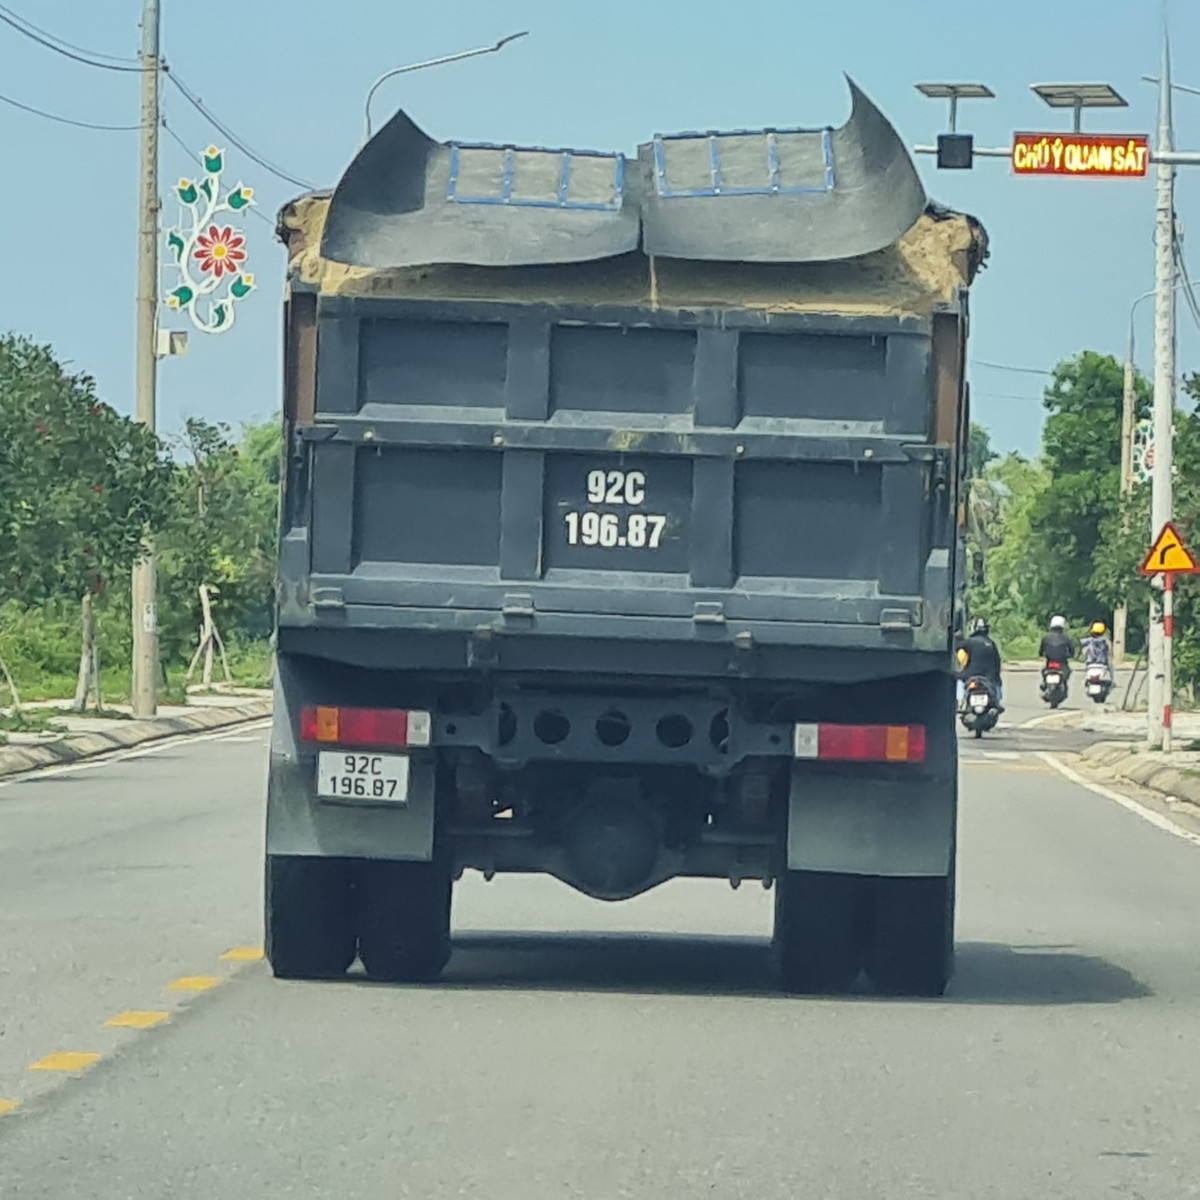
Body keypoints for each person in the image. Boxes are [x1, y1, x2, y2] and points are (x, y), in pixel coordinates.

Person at [959, 617, 1004, 711]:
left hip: (970, 675)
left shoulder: (968, 642)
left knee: (958, 681)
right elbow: (997, 662)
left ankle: (960, 702)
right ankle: (997, 702)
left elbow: (958, 652)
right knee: (997, 684)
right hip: (989, 677)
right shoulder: (991, 643)